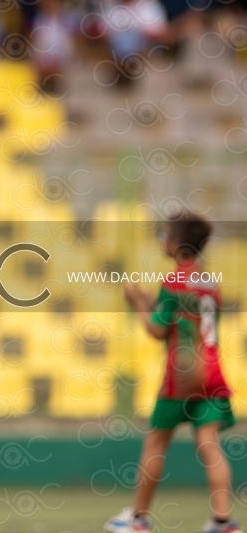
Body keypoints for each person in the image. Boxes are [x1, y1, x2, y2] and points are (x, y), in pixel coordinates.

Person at [106, 212, 242, 533]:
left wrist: (138, 303)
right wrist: (151, 301)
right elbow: (190, 319)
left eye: (165, 234)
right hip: (211, 373)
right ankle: (223, 521)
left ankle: (138, 519)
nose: (162, 239)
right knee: (209, 444)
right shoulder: (209, 283)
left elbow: (157, 329)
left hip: (181, 374)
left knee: (156, 443)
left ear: (176, 244)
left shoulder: (174, 282)